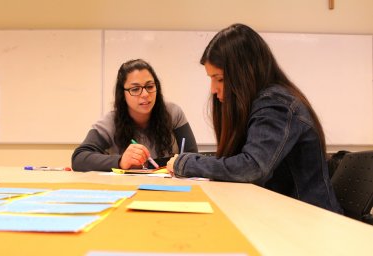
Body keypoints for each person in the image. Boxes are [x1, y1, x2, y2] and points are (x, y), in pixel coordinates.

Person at [166, 24, 342, 213]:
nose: (213, 89)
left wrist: (186, 163)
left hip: (310, 220)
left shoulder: (277, 104)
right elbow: (240, 161)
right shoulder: (259, 103)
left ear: (244, 73)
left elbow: (252, 167)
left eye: (220, 79)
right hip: (286, 214)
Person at [72, 59, 198, 172]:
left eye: (150, 86)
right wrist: (120, 161)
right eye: (135, 89)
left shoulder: (173, 113)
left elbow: (193, 156)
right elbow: (79, 158)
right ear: (123, 94)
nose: (145, 94)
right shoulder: (111, 121)